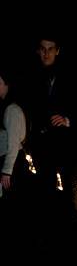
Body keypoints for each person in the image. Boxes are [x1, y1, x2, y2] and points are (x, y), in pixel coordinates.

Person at [23, 35, 77, 214]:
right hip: (42, 148)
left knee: (70, 196)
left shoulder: (70, 76)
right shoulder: (32, 78)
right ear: (38, 51)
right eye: (43, 49)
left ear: (57, 51)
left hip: (66, 146)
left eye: (50, 49)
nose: (46, 53)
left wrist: (68, 120)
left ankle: (75, 230)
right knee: (46, 196)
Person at [0, 68, 27, 199]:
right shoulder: (7, 107)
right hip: (11, 162)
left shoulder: (12, 110)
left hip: (13, 164)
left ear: (7, 85)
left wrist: (6, 171)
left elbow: (13, 143)